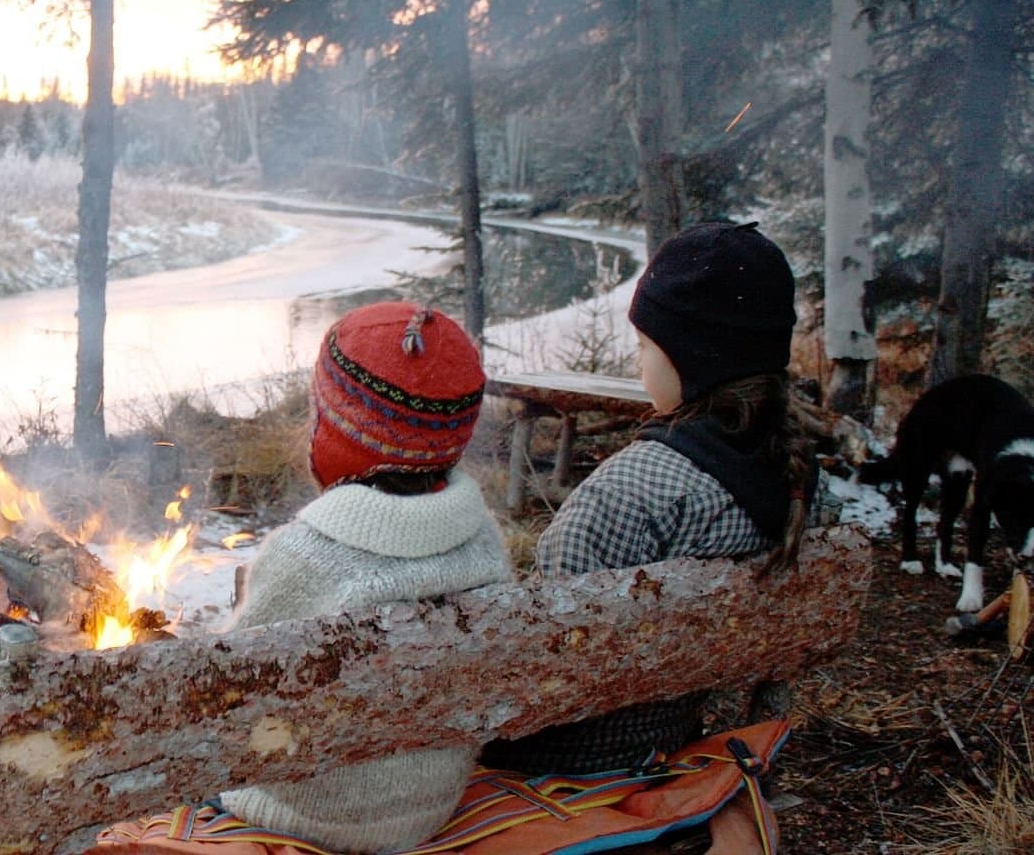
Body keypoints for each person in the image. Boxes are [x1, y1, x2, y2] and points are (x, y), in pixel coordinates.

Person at [483, 220, 814, 776]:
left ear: (695, 355)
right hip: (668, 732)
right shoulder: (798, 476)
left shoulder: (628, 496)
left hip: (566, 760)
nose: (637, 364)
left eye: (643, 346)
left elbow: (556, 665)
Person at [203, 301, 510, 853]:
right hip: (430, 806)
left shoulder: (307, 556)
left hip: (300, 812)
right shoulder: (483, 540)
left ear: (340, 431)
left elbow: (231, 702)